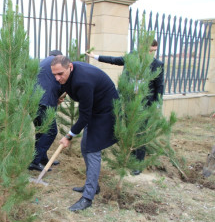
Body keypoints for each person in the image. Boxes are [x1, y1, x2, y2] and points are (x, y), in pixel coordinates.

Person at [51, 55, 119, 211]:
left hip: (106, 112)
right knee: (85, 147)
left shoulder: (83, 81)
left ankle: (88, 197)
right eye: (54, 74)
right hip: (95, 108)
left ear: (70, 67)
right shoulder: (71, 75)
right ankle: (93, 186)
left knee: (92, 150)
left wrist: (68, 136)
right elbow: (68, 85)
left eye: (60, 74)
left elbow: (85, 116)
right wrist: (61, 94)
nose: (57, 78)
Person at [88, 39, 164, 175]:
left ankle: (138, 164)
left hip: (145, 105)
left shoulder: (157, 65)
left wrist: (157, 104)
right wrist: (96, 57)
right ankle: (127, 157)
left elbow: (159, 86)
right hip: (129, 102)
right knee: (129, 129)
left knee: (141, 133)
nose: (149, 52)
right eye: (147, 48)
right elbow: (115, 60)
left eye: (152, 49)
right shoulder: (132, 57)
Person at [28, 50, 64, 172]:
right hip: (44, 102)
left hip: (32, 102)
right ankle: (35, 161)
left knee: (40, 131)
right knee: (51, 131)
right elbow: (62, 81)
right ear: (59, 56)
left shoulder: (42, 63)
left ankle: (42, 159)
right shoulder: (56, 62)